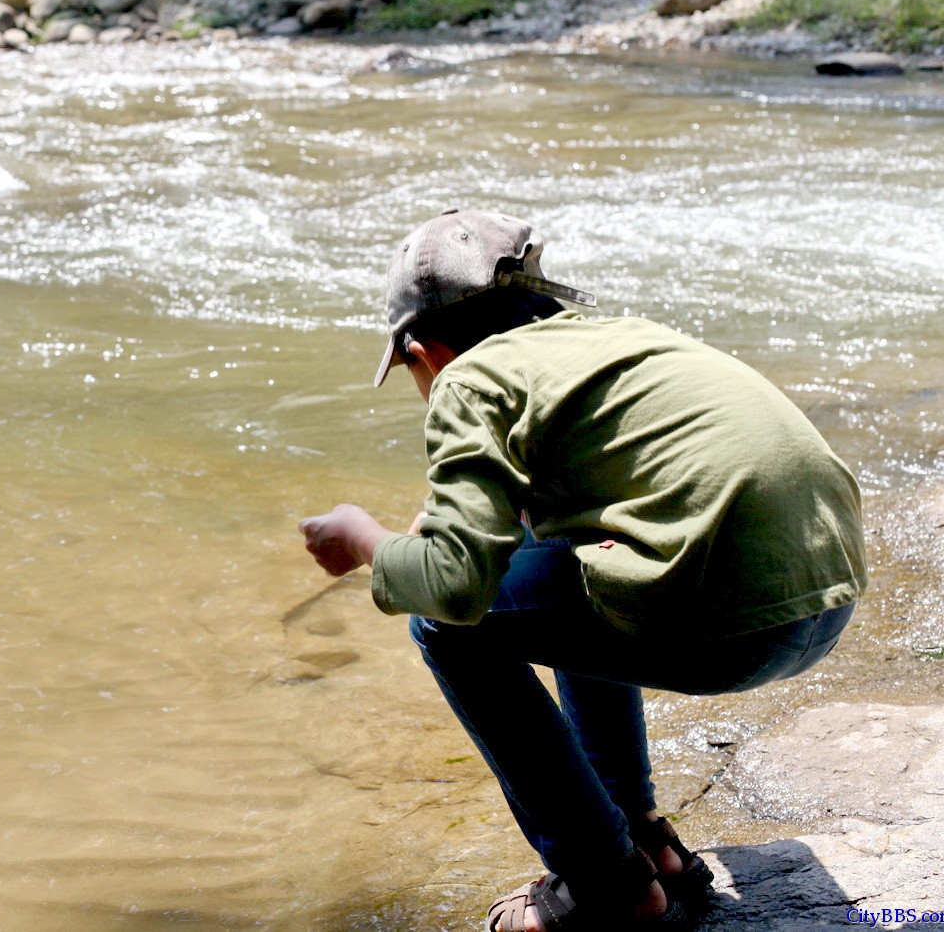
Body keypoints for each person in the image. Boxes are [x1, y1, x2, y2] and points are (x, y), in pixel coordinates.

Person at [298, 208, 866, 932]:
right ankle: (644, 842)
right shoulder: (612, 341)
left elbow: (454, 587)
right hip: (828, 596)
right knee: (577, 557)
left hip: (739, 628)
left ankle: (606, 880)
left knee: (445, 626)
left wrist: (361, 536)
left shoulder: (467, 379)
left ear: (424, 352)